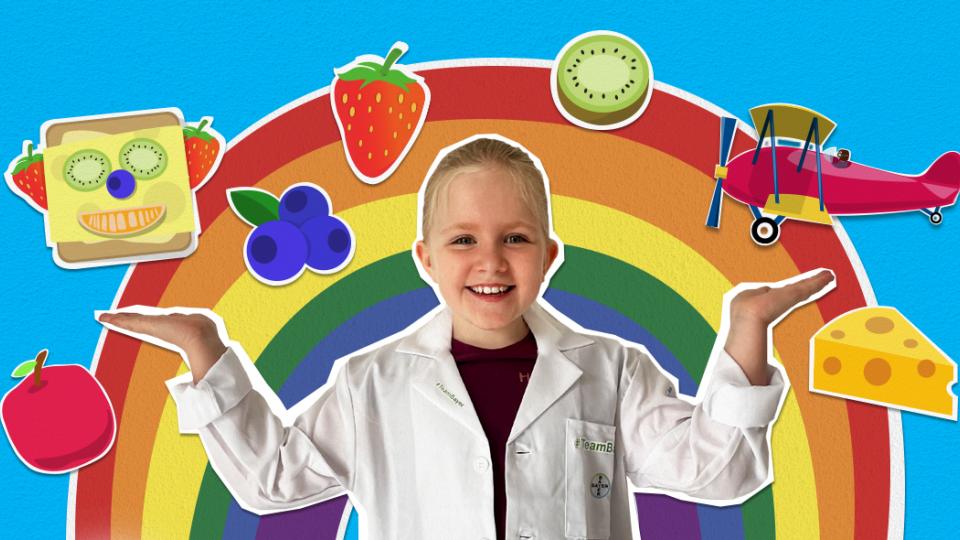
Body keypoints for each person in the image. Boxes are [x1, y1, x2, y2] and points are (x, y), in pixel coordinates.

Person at [99, 134, 834, 540]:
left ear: (549, 256)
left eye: (515, 237)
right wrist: (204, 350)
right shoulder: (371, 381)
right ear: (424, 258)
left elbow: (721, 475)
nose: (489, 260)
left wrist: (747, 329)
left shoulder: (612, 370)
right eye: (461, 240)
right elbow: (272, 481)